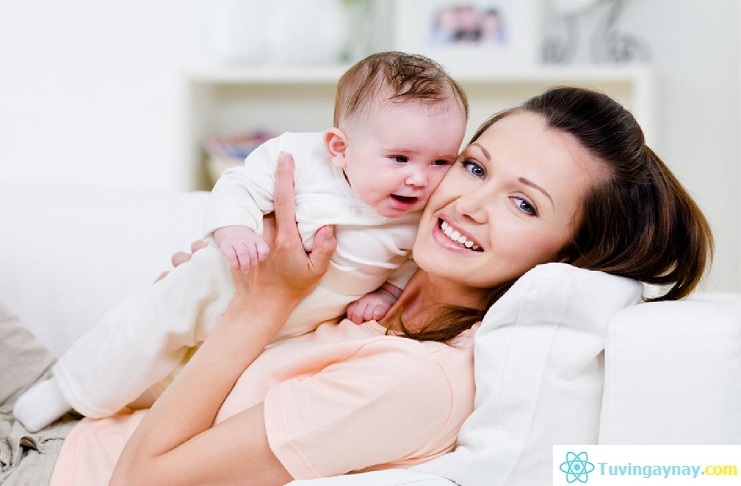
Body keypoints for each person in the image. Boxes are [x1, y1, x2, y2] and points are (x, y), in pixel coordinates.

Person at [0, 86, 712, 485]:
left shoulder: (415, 379)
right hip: (70, 410)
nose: (467, 202)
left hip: (56, 468)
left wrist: (257, 306)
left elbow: (141, 482)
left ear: (568, 255)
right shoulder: (373, 273)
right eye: (472, 166)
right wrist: (212, 289)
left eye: (523, 204)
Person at [12, 51, 469, 433]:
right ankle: (70, 388)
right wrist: (235, 229)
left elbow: (412, 261)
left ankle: (122, 415)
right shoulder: (300, 159)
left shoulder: (422, 214)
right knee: (151, 324)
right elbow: (241, 186)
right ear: (339, 148)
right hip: (229, 275)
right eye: (400, 158)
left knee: (197, 378)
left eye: (440, 161)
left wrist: (387, 292)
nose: (419, 178)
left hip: (296, 324)